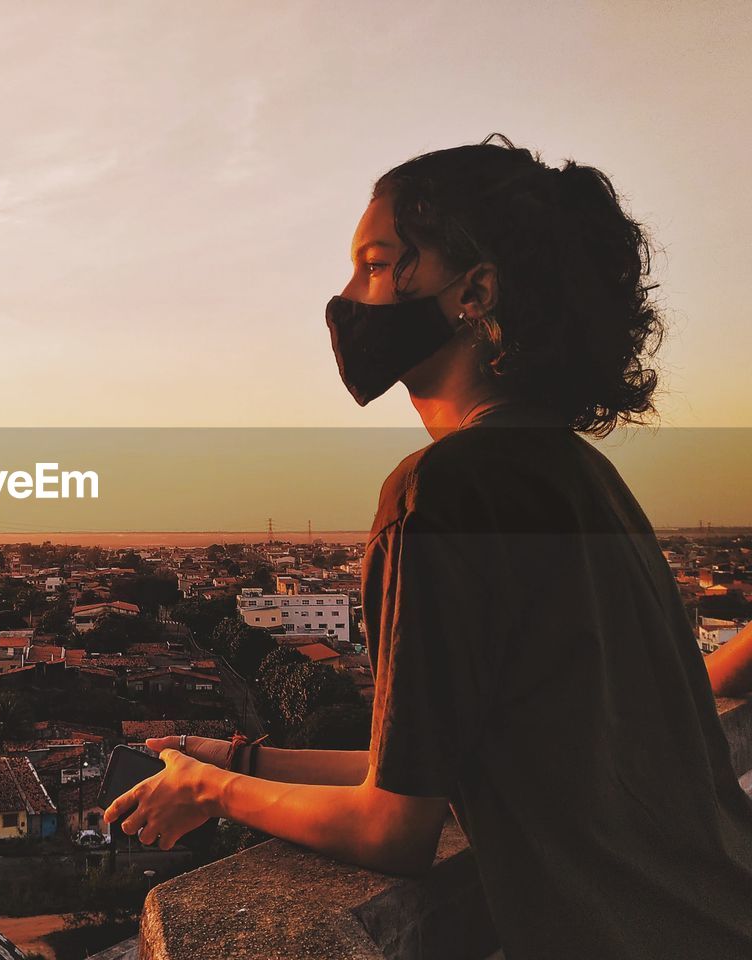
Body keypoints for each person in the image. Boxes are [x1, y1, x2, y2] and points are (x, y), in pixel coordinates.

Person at [104, 134, 752, 959]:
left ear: (473, 294)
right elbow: (449, 766)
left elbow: (395, 827)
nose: (347, 300)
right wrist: (245, 755)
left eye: (377, 265)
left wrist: (212, 788)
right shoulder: (584, 478)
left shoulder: (443, 490)